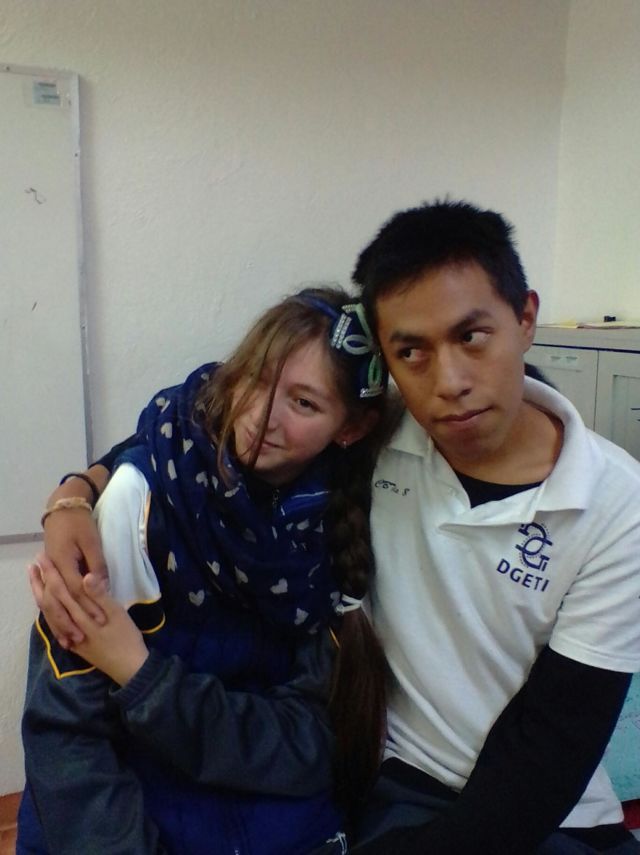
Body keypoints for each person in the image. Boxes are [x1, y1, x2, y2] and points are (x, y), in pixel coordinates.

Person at [18, 285, 391, 855]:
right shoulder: (141, 498)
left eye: (304, 403)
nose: (263, 417)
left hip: (259, 792)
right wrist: (76, 491)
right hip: (136, 793)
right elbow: (67, 731)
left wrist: (141, 673)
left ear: (350, 428)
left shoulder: (339, 528)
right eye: (258, 379)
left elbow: (307, 744)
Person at [349, 200, 640, 854]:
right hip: (408, 786)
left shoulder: (618, 503)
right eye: (411, 351)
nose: (448, 381)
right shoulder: (372, 444)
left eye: (472, 336)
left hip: (555, 807)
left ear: (526, 318)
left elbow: (556, 739)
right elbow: (234, 424)